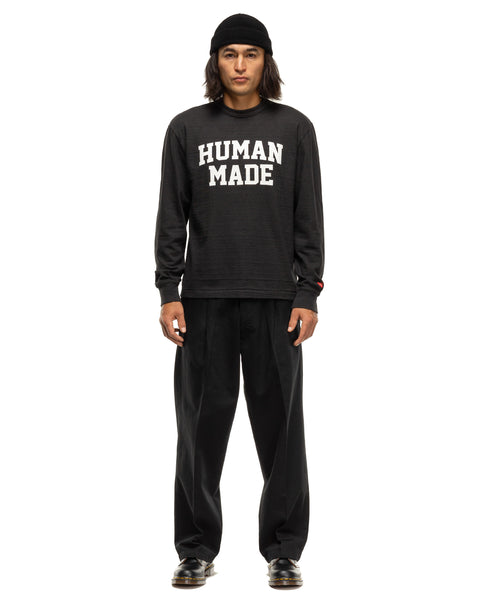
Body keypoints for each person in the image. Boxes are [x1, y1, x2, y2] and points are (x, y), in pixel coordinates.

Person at [154, 13, 325, 589]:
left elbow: (308, 217)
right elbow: (171, 216)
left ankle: (284, 550)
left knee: (282, 432)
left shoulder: (295, 129)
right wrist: (169, 291)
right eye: (230, 54)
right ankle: (196, 549)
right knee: (199, 432)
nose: (241, 65)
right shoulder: (186, 129)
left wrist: (307, 291)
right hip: (204, 302)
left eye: (251, 54)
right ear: (216, 62)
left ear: (266, 62)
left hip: (276, 302)